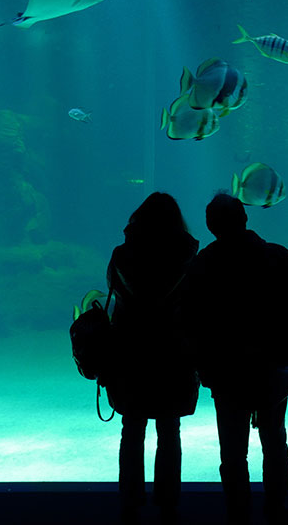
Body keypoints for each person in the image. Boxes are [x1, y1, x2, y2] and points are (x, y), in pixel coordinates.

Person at [185, 192, 288, 525]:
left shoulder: (202, 263)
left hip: (225, 371)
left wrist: (204, 359)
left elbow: (190, 316)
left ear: (210, 225)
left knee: (232, 450)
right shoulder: (279, 257)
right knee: (274, 438)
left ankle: (237, 513)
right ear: (245, 219)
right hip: (274, 366)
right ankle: (275, 507)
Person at [106, 192, 200, 525]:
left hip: (130, 355)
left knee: (131, 428)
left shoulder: (122, 256)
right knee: (169, 429)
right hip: (173, 355)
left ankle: (129, 501)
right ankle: (168, 503)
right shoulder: (189, 257)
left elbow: (114, 297)